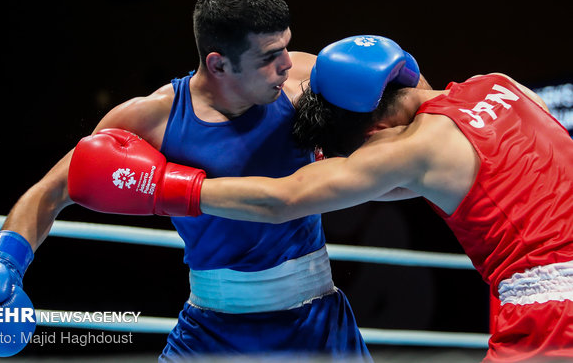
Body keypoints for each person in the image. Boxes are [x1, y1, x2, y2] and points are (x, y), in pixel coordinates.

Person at [63, 35, 572, 362]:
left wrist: (164, 188)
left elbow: (283, 200)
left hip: (550, 314)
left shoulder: (416, 147)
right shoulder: (502, 85)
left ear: (375, 127)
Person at [0, 0, 373, 361]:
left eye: (286, 46)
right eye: (268, 56)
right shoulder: (153, 119)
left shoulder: (305, 77)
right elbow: (51, 190)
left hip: (317, 321)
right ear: (218, 64)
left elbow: (406, 115)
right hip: (211, 330)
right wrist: (4, 260)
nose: (286, 64)